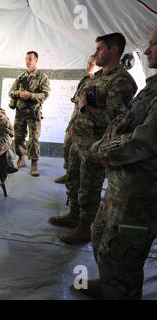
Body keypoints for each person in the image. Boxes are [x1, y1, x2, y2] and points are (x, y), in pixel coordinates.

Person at [77, 27, 157, 300]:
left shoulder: (124, 81)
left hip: (141, 198)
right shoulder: (153, 86)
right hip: (121, 187)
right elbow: (123, 122)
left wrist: (101, 149)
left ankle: (119, 291)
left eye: (153, 44)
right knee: (101, 239)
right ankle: (109, 284)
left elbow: (143, 140)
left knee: (122, 258)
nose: (147, 51)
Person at [49, 33, 138, 244]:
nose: (95, 53)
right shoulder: (98, 77)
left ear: (114, 49)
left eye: (99, 49)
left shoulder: (121, 80)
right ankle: (74, 215)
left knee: (89, 188)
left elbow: (116, 118)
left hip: (95, 145)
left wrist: (86, 108)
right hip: (79, 140)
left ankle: (84, 227)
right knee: (73, 180)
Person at [54, 56, 101, 184]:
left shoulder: (101, 82)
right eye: (87, 63)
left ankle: (79, 178)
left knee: (83, 155)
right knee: (67, 145)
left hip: (89, 126)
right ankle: (69, 174)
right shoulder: (85, 80)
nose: (87, 66)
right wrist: (72, 123)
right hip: (75, 120)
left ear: (99, 65)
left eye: (91, 63)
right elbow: (76, 101)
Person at [9, 51, 51, 177]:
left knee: (34, 139)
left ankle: (34, 163)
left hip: (33, 113)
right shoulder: (21, 77)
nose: (27, 61)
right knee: (18, 136)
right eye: (26, 59)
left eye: (30, 59)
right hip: (20, 112)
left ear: (36, 60)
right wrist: (18, 94)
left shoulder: (42, 77)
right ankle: (21, 158)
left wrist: (30, 95)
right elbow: (11, 92)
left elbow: (45, 94)